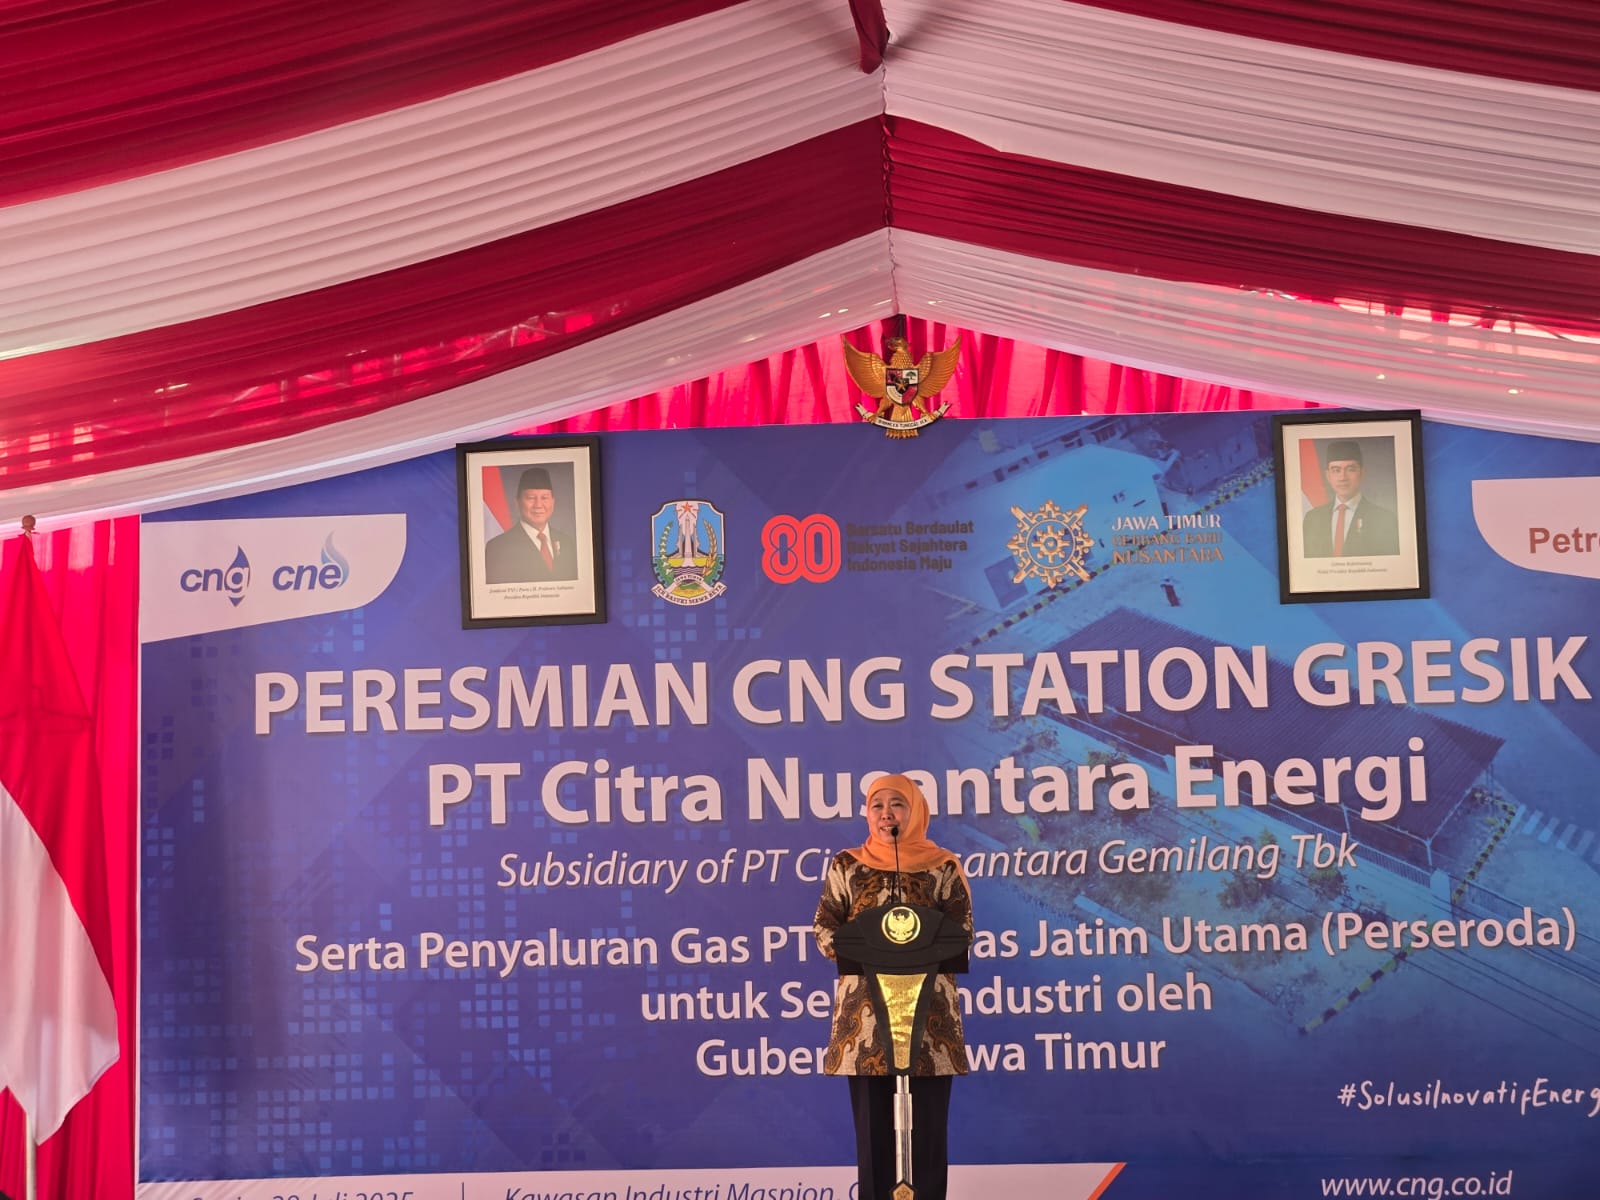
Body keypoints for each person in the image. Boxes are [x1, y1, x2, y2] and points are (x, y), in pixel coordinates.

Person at [813, 774, 973, 1200]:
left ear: (914, 811)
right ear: (867, 814)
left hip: (929, 1024)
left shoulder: (943, 866)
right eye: (877, 805)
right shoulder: (846, 865)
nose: (886, 814)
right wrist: (867, 950)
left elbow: (961, 931)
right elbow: (825, 928)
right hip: (865, 1027)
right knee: (874, 1140)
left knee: (928, 1137)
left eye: (897, 804)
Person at [1301, 439, 1400, 557]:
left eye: (1350, 469)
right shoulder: (1312, 519)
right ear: (1328, 476)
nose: (1343, 477)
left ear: (1362, 473)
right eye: (1336, 470)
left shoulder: (1384, 520)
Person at [484, 466, 579, 583]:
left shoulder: (567, 543)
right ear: (517, 502)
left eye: (544, 498)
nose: (538, 505)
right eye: (531, 498)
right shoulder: (498, 547)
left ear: (553, 502)